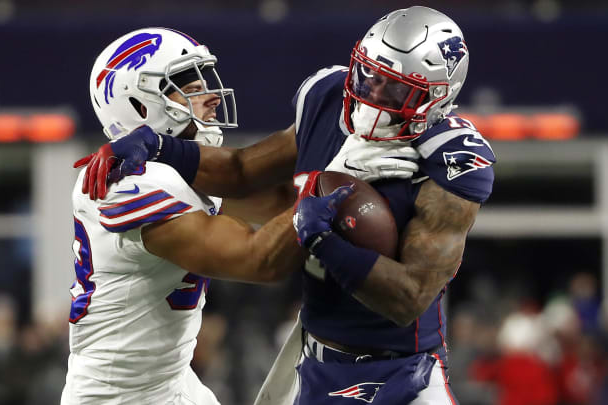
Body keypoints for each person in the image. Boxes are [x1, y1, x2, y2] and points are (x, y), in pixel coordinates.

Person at [77, 6, 495, 404]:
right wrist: (331, 177)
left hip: (404, 372)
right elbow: (251, 205)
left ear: (438, 96)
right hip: (140, 390)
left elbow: (408, 300)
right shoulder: (130, 183)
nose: (374, 94)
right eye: (368, 75)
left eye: (397, 87)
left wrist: (324, 235)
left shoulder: (452, 157)